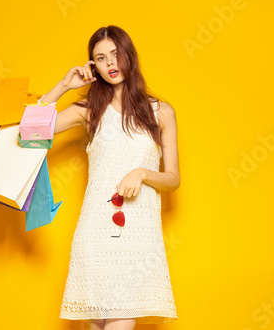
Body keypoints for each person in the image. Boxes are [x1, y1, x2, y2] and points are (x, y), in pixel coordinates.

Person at [37, 25, 180, 330]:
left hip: (137, 232)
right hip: (95, 228)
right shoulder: (89, 110)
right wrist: (63, 86)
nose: (110, 64)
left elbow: (173, 179)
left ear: (129, 55)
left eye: (115, 54)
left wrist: (141, 173)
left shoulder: (161, 112)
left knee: (119, 318)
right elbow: (30, 132)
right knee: (97, 324)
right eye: (100, 59)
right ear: (93, 66)